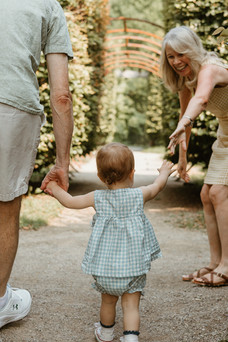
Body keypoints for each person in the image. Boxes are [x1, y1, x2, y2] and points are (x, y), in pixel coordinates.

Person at [46, 142, 174, 342]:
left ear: (100, 176)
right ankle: (131, 338)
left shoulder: (97, 197)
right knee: (131, 305)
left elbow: (70, 201)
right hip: (134, 267)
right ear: (132, 173)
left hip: (105, 270)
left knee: (107, 302)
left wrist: (53, 187)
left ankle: (105, 334)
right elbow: (158, 185)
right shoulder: (139, 195)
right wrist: (164, 171)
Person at [0, 0, 74, 329]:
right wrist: (62, 162)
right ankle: (1, 301)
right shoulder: (48, 6)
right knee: (5, 208)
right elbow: (61, 95)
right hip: (13, 107)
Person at [160, 25, 228, 286]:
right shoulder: (185, 79)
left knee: (219, 193)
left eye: (180, 54)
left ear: (191, 50)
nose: (176, 61)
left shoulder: (209, 69)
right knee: (206, 194)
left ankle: (226, 266)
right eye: (170, 57)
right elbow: (184, 118)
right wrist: (182, 159)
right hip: (225, 132)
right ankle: (214, 263)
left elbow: (200, 100)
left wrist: (185, 119)